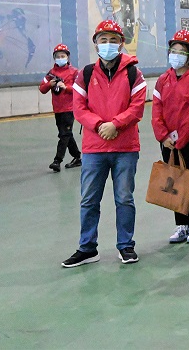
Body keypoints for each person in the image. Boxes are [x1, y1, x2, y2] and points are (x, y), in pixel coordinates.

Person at [62, 20, 147, 268]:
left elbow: (137, 108)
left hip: (125, 148)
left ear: (121, 44)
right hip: (94, 149)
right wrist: (100, 125)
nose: (108, 45)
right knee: (89, 200)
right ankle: (87, 248)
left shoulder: (134, 74)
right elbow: (79, 108)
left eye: (113, 40)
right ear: (96, 44)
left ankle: (126, 245)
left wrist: (116, 125)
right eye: (103, 40)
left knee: (124, 198)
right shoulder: (85, 74)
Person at [152, 29, 189, 245]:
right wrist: (163, 136)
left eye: (181, 52)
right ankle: (182, 225)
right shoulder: (162, 80)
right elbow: (156, 110)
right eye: (173, 51)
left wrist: (181, 139)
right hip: (168, 141)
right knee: (174, 180)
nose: (176, 55)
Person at [39, 44, 81, 173]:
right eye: (58, 56)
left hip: (69, 108)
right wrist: (49, 84)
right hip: (58, 109)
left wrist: (66, 87)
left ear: (67, 57)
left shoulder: (74, 72)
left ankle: (57, 160)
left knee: (64, 134)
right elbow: (42, 89)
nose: (60, 58)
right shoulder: (51, 73)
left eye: (63, 56)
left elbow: (79, 89)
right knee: (66, 134)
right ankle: (77, 157)